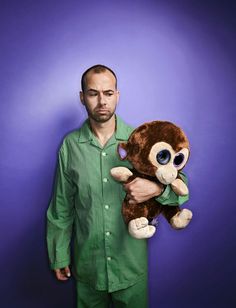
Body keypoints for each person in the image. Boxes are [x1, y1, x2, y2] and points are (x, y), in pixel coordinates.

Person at [46, 64, 189, 307]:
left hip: (131, 268)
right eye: (93, 93)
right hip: (88, 269)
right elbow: (61, 208)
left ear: (117, 95)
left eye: (108, 93)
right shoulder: (70, 146)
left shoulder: (141, 139)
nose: (102, 101)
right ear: (82, 97)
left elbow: (179, 186)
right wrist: (59, 255)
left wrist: (156, 189)